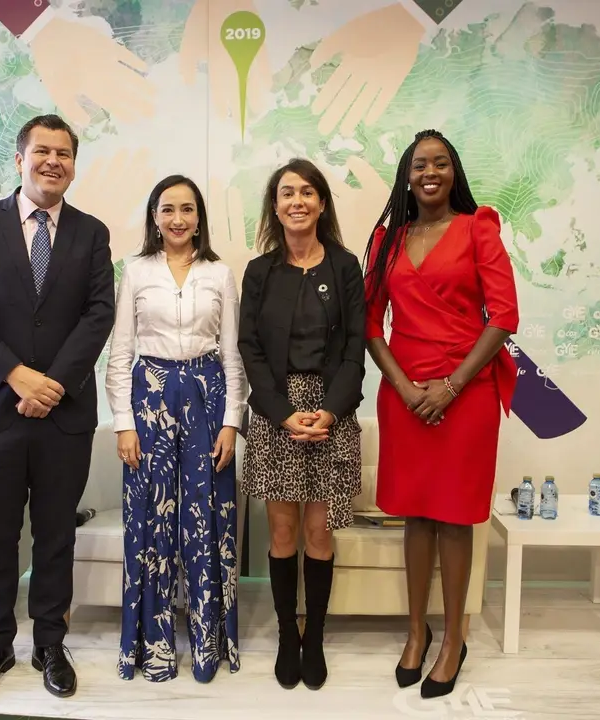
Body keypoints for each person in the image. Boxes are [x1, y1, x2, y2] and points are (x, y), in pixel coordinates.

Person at [0, 114, 115, 703]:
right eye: (42, 151)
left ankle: (50, 644)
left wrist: (54, 385)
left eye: (64, 153)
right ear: (20, 160)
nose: (53, 162)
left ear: (74, 165)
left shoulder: (91, 234)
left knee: (55, 537)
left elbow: (98, 314)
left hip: (63, 416)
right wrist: (15, 376)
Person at [362, 129, 519, 698]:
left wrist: (450, 387)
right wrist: (404, 387)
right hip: (405, 394)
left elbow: (503, 316)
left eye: (441, 163)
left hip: (466, 391)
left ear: (454, 172)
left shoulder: (479, 228)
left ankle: (453, 640)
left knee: (453, 516)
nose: (430, 172)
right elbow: (369, 324)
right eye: (420, 164)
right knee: (416, 514)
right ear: (406, 176)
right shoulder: (388, 240)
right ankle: (416, 632)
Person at [106, 175, 246, 683]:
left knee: (206, 518)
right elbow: (121, 352)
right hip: (150, 397)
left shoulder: (220, 273)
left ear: (199, 218)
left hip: (208, 397)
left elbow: (232, 355)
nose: (178, 219)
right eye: (168, 209)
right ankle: (154, 648)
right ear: (154, 217)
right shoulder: (136, 270)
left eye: (187, 209)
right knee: (150, 521)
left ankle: (209, 646)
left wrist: (232, 422)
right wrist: (124, 424)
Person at [238, 158, 366, 691]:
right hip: (277, 413)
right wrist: (280, 411)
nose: (297, 201)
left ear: (321, 203)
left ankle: (315, 636)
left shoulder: (344, 266)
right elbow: (249, 347)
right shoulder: (259, 271)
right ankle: (287, 634)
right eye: (287, 193)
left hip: (331, 411)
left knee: (318, 531)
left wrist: (330, 411)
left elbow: (355, 347)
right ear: (275, 206)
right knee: (284, 531)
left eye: (307, 192)